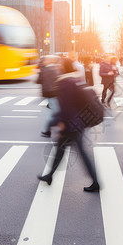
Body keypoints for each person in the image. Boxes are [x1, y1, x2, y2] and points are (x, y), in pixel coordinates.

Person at [37, 58, 99, 192]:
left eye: (60, 65)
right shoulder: (75, 80)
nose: (58, 67)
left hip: (70, 125)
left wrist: (61, 124)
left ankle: (95, 182)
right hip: (78, 122)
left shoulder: (64, 83)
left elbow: (65, 107)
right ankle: (49, 176)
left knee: (78, 153)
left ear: (64, 68)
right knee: (60, 150)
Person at [37, 55, 61, 138]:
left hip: (49, 94)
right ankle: (50, 130)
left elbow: (38, 81)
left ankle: (48, 130)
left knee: (53, 113)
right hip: (55, 93)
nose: (44, 61)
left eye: (45, 60)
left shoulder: (44, 70)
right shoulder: (56, 69)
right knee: (54, 112)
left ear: (49, 61)